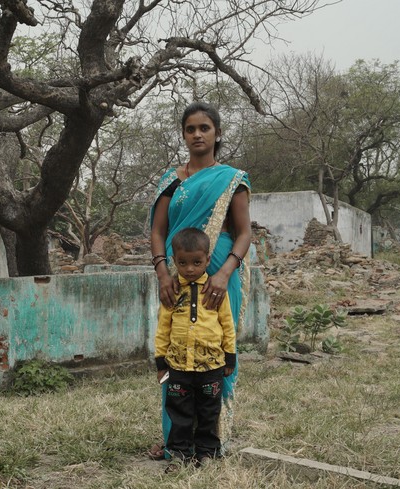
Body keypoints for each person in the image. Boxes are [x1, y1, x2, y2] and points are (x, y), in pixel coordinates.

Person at [148, 101, 252, 460]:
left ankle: (211, 441)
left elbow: (244, 232)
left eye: (204, 128)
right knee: (177, 350)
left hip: (220, 275)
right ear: (183, 134)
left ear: (217, 133)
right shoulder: (170, 181)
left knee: (214, 348)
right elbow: (158, 231)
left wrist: (224, 273)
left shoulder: (232, 178)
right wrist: (163, 271)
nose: (197, 134)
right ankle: (176, 443)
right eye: (190, 129)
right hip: (176, 277)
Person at [155, 227, 236, 465]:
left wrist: (229, 357)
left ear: (207, 260)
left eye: (197, 262)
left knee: (209, 413)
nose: (190, 269)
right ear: (174, 261)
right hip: (178, 366)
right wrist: (161, 363)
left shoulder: (215, 290)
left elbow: (227, 325)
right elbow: (163, 329)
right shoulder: (172, 291)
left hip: (211, 366)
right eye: (183, 262)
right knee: (179, 413)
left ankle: (207, 453)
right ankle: (179, 454)